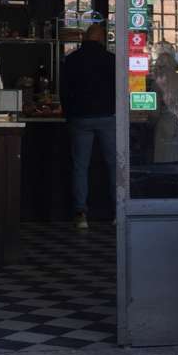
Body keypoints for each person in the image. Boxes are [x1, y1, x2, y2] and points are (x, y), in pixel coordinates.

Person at [60, 23, 115, 230]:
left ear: (85, 37)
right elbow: (119, 89)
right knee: (114, 165)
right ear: (101, 38)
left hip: (80, 118)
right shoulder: (111, 59)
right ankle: (118, 211)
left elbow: (64, 90)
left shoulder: (72, 59)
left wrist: (69, 114)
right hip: (107, 116)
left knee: (80, 166)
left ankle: (81, 214)